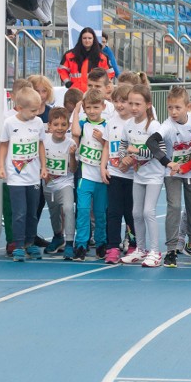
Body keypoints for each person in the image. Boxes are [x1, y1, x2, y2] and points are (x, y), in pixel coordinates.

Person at [146, 87, 191, 268]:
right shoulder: (167, 126)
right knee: (174, 206)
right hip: (173, 172)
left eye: (178, 108)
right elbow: (151, 142)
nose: (173, 112)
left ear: (188, 106)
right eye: (170, 108)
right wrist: (167, 162)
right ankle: (171, 250)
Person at [118, 85, 165, 268]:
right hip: (138, 175)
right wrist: (126, 158)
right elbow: (122, 147)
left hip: (154, 175)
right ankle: (140, 248)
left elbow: (159, 152)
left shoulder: (153, 126)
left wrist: (136, 151)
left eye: (138, 103)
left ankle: (155, 251)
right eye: (131, 103)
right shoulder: (128, 125)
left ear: (147, 105)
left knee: (148, 211)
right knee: (136, 212)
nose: (133, 107)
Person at [0, 87, 47, 262]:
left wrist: (44, 166)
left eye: (38, 109)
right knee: (19, 212)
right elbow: (3, 144)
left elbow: (41, 144)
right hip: (16, 177)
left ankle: (30, 242)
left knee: (32, 212)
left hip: (33, 176)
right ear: (19, 107)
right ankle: (18, 245)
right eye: (33, 110)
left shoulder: (38, 123)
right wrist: (1, 166)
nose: (36, 113)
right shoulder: (10, 123)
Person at [100, 84, 137, 264]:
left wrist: (129, 160)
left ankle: (133, 244)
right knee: (113, 212)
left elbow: (139, 148)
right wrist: (103, 167)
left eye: (124, 101)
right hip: (114, 174)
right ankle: (112, 246)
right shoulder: (111, 122)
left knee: (131, 212)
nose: (120, 105)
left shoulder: (135, 123)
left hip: (132, 176)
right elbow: (107, 145)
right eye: (116, 101)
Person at [70, 88, 108, 261]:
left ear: (103, 106)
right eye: (88, 108)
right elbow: (76, 132)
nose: (92, 111)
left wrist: (102, 139)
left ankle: (101, 243)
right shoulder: (83, 124)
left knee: (100, 212)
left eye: (95, 107)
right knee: (83, 210)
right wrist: (77, 110)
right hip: (85, 175)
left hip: (101, 177)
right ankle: (81, 244)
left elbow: (108, 146)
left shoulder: (107, 125)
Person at [42, 108, 76, 256]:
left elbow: (73, 169)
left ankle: (69, 242)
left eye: (63, 125)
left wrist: (73, 156)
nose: (60, 128)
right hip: (49, 184)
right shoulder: (43, 141)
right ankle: (57, 237)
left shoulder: (71, 143)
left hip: (65, 182)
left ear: (68, 126)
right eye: (56, 124)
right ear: (49, 126)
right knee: (53, 212)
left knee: (68, 208)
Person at [58, 28, 114, 92]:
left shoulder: (102, 57)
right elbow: (62, 70)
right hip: (75, 91)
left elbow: (110, 73)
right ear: (81, 39)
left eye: (90, 38)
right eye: (84, 38)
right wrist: (68, 83)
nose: (87, 40)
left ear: (93, 39)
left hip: (94, 92)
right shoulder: (70, 55)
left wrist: (101, 85)